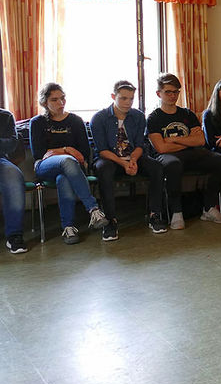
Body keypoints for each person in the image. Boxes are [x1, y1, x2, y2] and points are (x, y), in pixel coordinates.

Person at [146, 73, 221, 229]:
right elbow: (161, 148)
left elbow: (200, 140)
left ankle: (209, 207)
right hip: (167, 157)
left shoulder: (187, 114)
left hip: (191, 154)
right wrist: (187, 141)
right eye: (168, 92)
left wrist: (172, 140)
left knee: (220, 161)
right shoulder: (154, 118)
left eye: (176, 91)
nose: (172, 95)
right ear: (159, 94)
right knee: (174, 164)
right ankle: (176, 212)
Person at [29, 83, 108, 244]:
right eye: (55, 100)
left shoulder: (76, 121)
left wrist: (58, 151)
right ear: (45, 103)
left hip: (72, 168)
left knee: (63, 178)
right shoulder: (37, 122)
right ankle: (93, 209)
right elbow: (40, 154)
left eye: (62, 98)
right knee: (67, 160)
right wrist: (68, 149)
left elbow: (84, 153)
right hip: (44, 167)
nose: (61, 103)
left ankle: (69, 228)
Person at [90, 80, 169, 241]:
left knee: (156, 167)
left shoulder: (138, 116)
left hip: (134, 157)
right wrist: (124, 163)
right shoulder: (99, 118)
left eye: (131, 99)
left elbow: (140, 144)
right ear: (114, 96)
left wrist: (132, 160)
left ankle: (154, 214)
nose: (128, 102)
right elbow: (102, 150)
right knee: (104, 170)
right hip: (110, 159)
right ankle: (110, 221)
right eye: (123, 98)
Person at [1, 107, 27, 254]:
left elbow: (11, 143)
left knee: (14, 176)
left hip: (1, 160)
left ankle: (14, 235)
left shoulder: (5, 116)